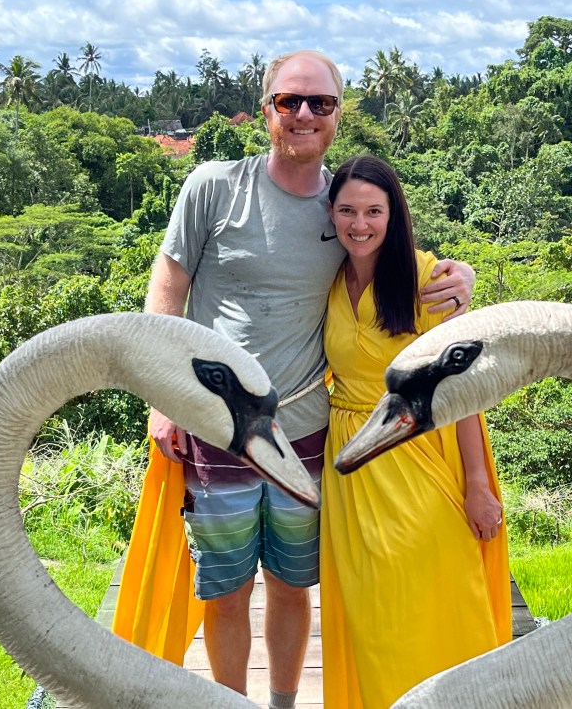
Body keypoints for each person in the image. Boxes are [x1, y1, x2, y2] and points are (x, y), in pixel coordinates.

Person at [111, 50, 477, 709]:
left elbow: (394, 255)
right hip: (216, 428)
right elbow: (169, 283)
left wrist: (458, 277)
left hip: (306, 433)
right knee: (225, 591)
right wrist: (161, 397)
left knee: (290, 585)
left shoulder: (342, 205)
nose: (304, 113)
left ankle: (281, 703)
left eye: (320, 103)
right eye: (289, 101)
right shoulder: (214, 186)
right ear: (266, 110)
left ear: (338, 114)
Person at [319, 155, 512, 708]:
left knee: (438, 597)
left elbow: (463, 389)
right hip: (350, 462)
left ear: (394, 214)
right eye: (347, 210)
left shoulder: (428, 279)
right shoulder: (326, 276)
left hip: (419, 452)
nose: (360, 224)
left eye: (373, 211)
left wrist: (478, 484)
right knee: (371, 614)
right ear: (330, 214)